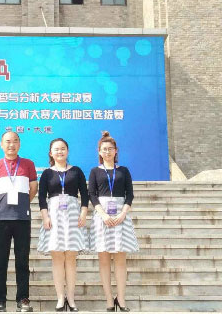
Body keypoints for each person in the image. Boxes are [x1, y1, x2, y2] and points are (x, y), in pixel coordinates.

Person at [88, 131, 139, 313]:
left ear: (116, 151)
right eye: (104, 149)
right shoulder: (95, 171)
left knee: (120, 260)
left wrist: (123, 213)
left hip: (120, 216)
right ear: (99, 152)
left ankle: (121, 299)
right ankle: (109, 299)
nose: (107, 152)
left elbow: (129, 194)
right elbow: (92, 194)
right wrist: (102, 214)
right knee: (103, 260)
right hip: (102, 216)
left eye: (110, 149)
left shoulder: (123, 171)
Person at [37, 138, 89, 312]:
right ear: (51, 153)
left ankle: (71, 298)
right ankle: (60, 298)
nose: (60, 152)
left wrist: (83, 213)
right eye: (56, 149)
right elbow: (41, 197)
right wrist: (45, 217)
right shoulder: (47, 173)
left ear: (67, 151)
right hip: (54, 216)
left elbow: (85, 194)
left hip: (73, 215)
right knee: (58, 258)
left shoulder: (76, 171)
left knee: (71, 258)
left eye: (62, 148)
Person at [0, 131, 38, 313]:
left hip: (22, 219)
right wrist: (3, 206)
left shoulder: (28, 164)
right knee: (0, 262)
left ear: (20, 144)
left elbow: (33, 188)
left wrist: (22, 206)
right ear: (1, 144)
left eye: (15, 141)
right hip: (1, 219)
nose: (11, 145)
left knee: (22, 262)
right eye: (8, 141)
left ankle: (23, 299)